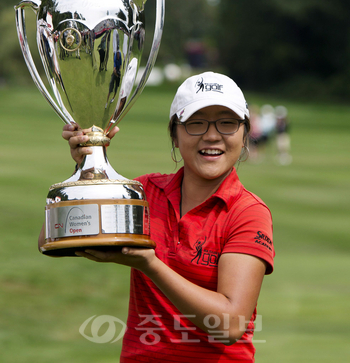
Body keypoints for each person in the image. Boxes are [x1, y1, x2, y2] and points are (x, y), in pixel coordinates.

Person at [61, 72, 274, 362]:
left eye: (227, 123)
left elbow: (230, 324)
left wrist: (151, 265)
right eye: (196, 123)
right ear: (174, 134)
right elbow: (59, 234)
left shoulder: (247, 212)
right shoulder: (146, 192)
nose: (212, 135)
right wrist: (86, 168)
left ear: (244, 133)